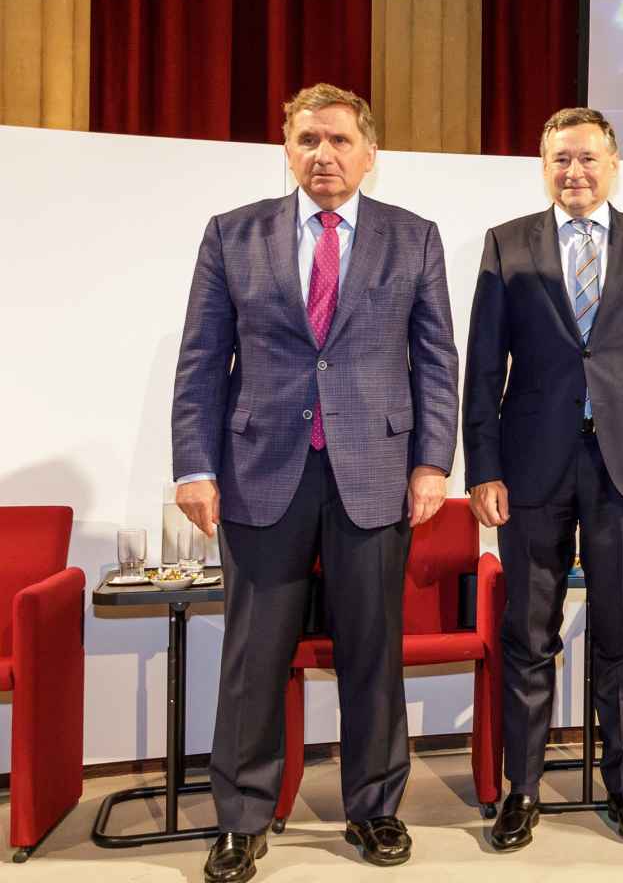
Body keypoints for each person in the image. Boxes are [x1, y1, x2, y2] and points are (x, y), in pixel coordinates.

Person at [172, 83, 459, 882]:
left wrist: (433, 460)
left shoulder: (414, 238)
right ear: (287, 148)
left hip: (376, 472)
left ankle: (375, 809)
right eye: (307, 140)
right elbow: (202, 359)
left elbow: (436, 359)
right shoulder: (234, 235)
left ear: (370, 154)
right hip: (260, 470)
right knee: (252, 655)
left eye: (338, 140)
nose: (323, 154)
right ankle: (241, 819)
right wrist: (194, 466)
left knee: (374, 651)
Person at [463, 108, 623, 849]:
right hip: (532, 464)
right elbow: (483, 366)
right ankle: (522, 789)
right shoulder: (509, 244)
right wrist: (485, 468)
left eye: (587, 159)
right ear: (545, 165)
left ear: (613, 163)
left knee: (621, 629)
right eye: (560, 159)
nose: (574, 172)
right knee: (527, 631)